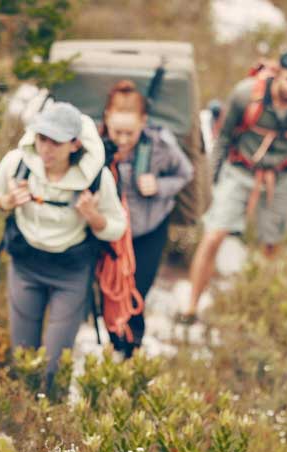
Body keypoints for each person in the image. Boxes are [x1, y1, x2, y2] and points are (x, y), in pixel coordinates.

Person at [0, 101, 127, 382]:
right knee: (23, 356)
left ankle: (51, 411)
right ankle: (23, 416)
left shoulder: (96, 177)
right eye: (41, 138)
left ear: (74, 145)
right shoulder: (18, 163)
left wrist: (94, 217)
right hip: (25, 265)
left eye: (55, 142)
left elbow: (117, 227)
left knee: (55, 362)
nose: (45, 149)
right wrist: (6, 201)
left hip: (70, 273)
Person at [183, 48, 287, 323]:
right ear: (277, 73)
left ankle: (260, 306)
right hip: (239, 170)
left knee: (271, 245)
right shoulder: (246, 94)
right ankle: (191, 305)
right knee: (213, 236)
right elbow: (223, 139)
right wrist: (211, 184)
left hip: (280, 177)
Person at [101, 80, 194, 357]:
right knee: (110, 291)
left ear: (144, 121)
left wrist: (159, 185)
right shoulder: (96, 144)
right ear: (107, 118)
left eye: (130, 132)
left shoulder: (160, 144)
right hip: (110, 233)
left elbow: (185, 173)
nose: (123, 139)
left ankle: (132, 348)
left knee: (136, 291)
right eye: (118, 131)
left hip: (149, 229)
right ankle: (114, 344)